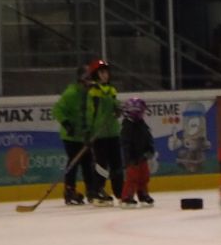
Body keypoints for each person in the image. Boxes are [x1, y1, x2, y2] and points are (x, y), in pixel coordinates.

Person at [53, 60, 104, 206]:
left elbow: (90, 115)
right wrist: (67, 124)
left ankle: (91, 189)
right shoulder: (71, 93)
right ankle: (69, 190)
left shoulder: (90, 94)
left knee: (88, 163)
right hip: (71, 136)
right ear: (81, 79)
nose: (91, 82)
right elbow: (57, 110)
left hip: (83, 135)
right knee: (74, 162)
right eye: (88, 78)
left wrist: (90, 132)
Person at [84, 60, 123, 206]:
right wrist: (88, 132)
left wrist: (118, 109)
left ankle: (120, 191)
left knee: (117, 163)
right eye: (102, 72)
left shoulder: (111, 90)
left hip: (113, 132)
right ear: (96, 74)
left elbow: (116, 104)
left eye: (106, 72)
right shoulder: (93, 92)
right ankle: (97, 189)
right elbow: (90, 113)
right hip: (99, 134)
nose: (105, 75)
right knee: (101, 165)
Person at [118, 96, 157, 207]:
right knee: (132, 177)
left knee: (144, 176)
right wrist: (129, 157)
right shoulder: (127, 126)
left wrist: (150, 148)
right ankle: (127, 197)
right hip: (132, 157)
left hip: (142, 155)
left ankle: (143, 194)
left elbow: (147, 137)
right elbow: (125, 144)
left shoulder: (141, 124)